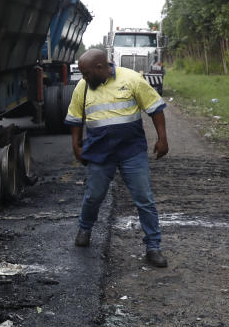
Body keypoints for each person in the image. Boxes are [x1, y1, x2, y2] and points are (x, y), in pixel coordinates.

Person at [65, 49, 170, 267]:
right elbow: (75, 118)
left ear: (101, 68)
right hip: (99, 152)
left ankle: (153, 247)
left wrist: (163, 138)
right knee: (94, 196)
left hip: (131, 151)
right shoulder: (82, 87)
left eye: (86, 73)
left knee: (144, 198)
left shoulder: (131, 79)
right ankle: (85, 229)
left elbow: (155, 109)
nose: (83, 77)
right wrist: (76, 146)